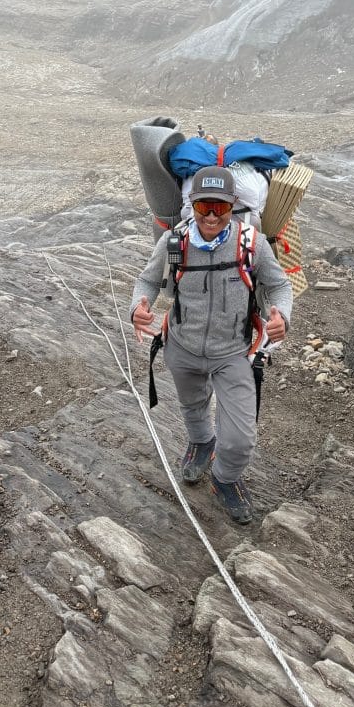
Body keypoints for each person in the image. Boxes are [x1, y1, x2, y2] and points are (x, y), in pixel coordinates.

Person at [130, 165, 292, 523]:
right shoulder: (174, 241)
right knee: (193, 406)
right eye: (204, 207)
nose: (212, 216)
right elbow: (147, 280)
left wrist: (281, 316)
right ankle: (202, 442)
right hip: (181, 347)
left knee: (240, 440)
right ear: (192, 204)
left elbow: (279, 285)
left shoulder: (253, 244)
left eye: (220, 207)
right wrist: (137, 308)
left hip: (232, 353)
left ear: (232, 205)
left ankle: (225, 479)